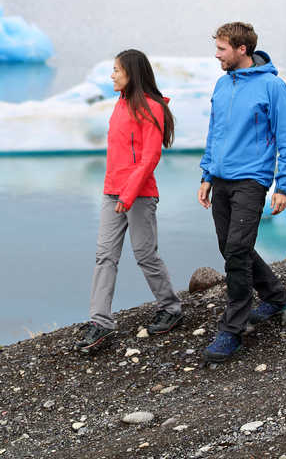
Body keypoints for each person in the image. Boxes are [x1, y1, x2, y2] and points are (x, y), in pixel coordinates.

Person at [197, 22, 286, 363]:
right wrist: (207, 173)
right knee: (230, 246)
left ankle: (232, 330)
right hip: (222, 179)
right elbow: (215, 132)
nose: (216, 55)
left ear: (242, 49)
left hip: (252, 180)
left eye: (222, 49)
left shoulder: (272, 87)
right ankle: (275, 296)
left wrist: (283, 185)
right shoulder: (223, 85)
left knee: (237, 253)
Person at [76, 49, 184, 353]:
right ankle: (100, 322)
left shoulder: (153, 109)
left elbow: (150, 157)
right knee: (104, 256)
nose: (112, 75)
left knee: (144, 254)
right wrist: (116, 192)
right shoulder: (120, 104)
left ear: (132, 74)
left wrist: (128, 193)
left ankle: (171, 308)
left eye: (116, 70)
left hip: (139, 195)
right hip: (112, 192)